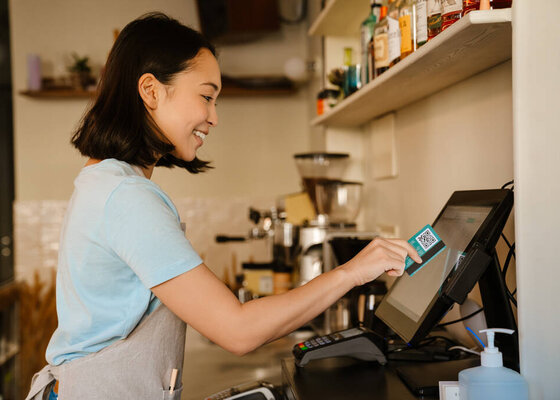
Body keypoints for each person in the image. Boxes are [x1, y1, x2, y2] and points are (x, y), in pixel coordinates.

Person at [25, 12, 421, 400]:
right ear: (150, 91)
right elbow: (237, 331)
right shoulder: (127, 197)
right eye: (206, 96)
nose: (213, 117)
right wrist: (352, 271)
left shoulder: (107, 183)